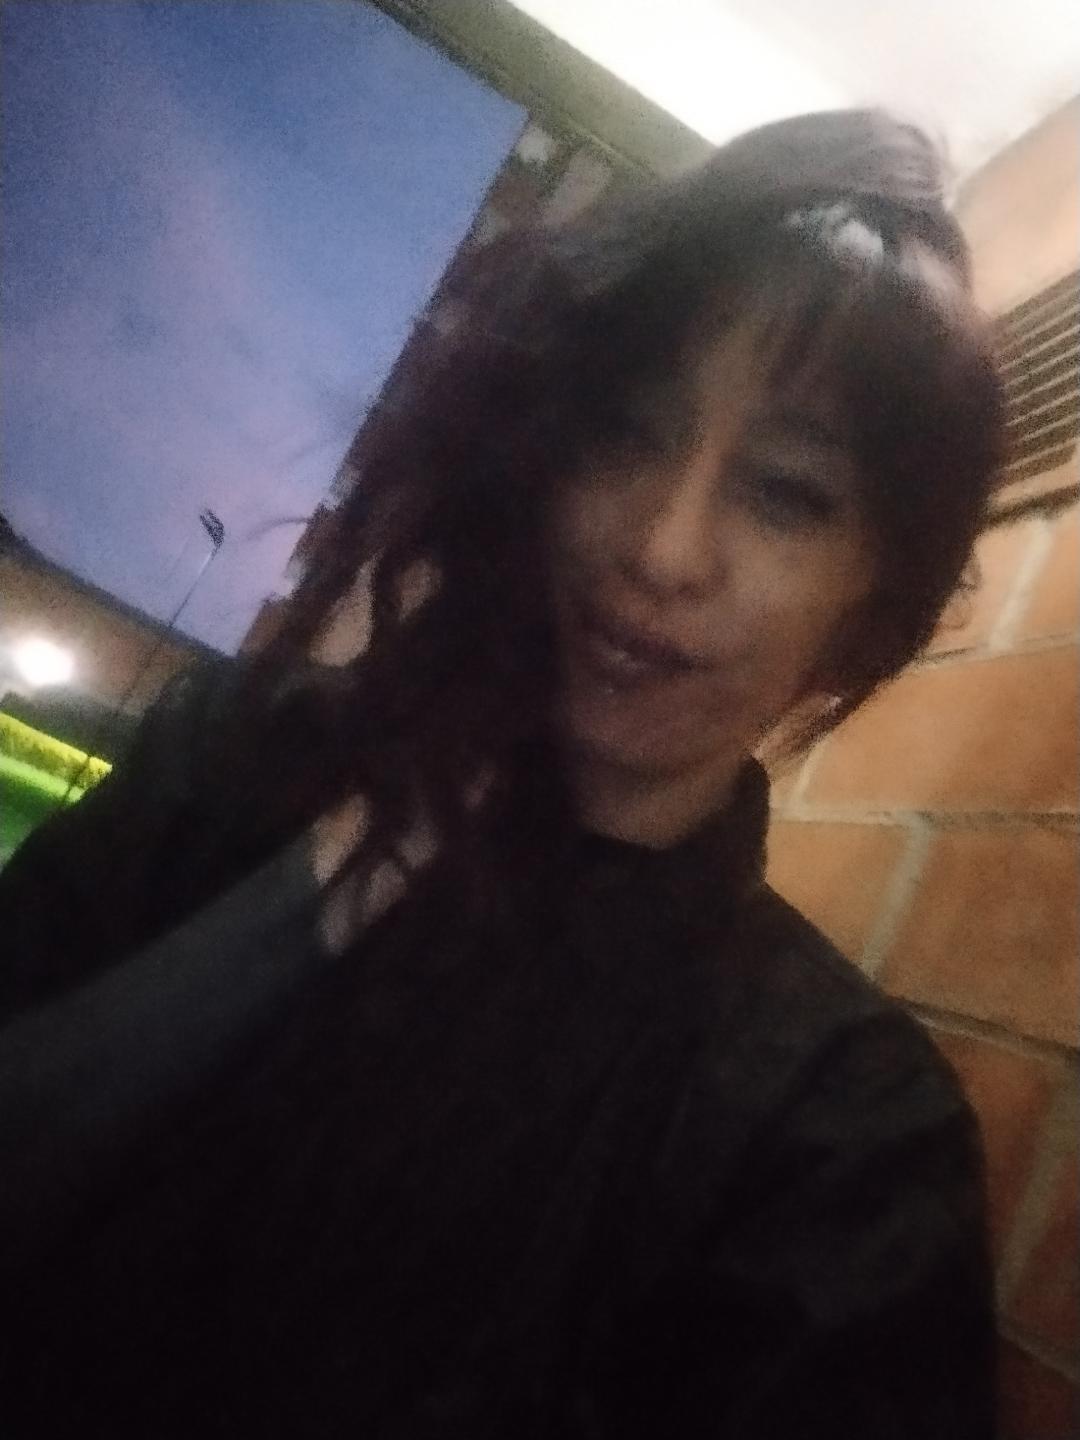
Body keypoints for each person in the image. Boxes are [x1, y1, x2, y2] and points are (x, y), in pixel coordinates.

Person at [0, 110, 1003, 1437]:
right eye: (629, 434)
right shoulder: (247, 760)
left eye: (785, 492)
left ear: (870, 598)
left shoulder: (841, 1141)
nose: (663, 548)